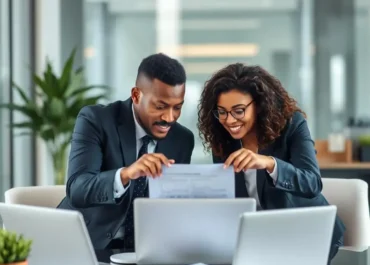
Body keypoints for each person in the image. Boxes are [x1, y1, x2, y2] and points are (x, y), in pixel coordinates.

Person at [197, 63, 345, 264]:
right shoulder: (223, 138)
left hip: (306, 232)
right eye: (222, 112)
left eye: (238, 111)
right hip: (257, 236)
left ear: (258, 105)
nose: (229, 120)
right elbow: (232, 197)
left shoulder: (292, 124)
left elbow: (312, 183)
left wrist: (269, 163)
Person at [57, 53, 195, 251]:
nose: (169, 118)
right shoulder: (96, 120)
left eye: (177, 108)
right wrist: (126, 174)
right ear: (136, 95)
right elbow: (77, 188)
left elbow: (172, 207)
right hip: (85, 246)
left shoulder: (182, 140)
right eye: (160, 106)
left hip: (146, 251)